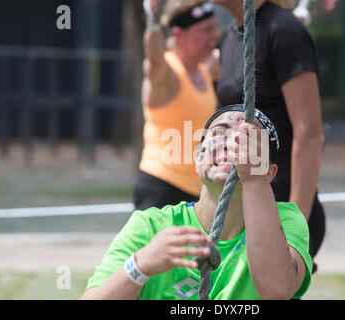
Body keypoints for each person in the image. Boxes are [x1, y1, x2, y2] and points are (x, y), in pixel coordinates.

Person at [81, 106, 313, 300]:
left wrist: (253, 178)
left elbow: (276, 291)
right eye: (220, 133)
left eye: (249, 140)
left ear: (270, 173)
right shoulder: (150, 226)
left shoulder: (286, 221)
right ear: (197, 156)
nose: (232, 143)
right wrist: (140, 265)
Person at [212, 0, 326, 268]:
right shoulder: (230, 34)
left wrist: (296, 223)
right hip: (241, 209)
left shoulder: (284, 31)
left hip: (281, 207)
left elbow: (310, 134)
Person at [132, 0, 219, 210]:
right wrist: (152, 24)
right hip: (161, 186)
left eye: (215, 28)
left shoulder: (206, 69)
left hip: (197, 191)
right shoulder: (167, 73)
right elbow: (153, 60)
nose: (215, 36)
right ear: (179, 35)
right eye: (206, 30)